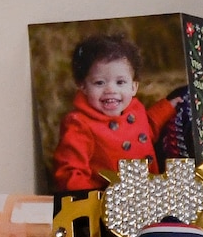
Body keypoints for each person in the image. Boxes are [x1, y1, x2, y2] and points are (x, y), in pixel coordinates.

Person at [51, 34, 173, 192]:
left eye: (120, 82)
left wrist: (169, 106)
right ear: (83, 86)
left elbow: (146, 129)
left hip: (148, 195)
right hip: (111, 206)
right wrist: (101, 198)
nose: (111, 90)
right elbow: (68, 173)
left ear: (134, 87)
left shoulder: (135, 108)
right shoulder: (79, 124)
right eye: (99, 82)